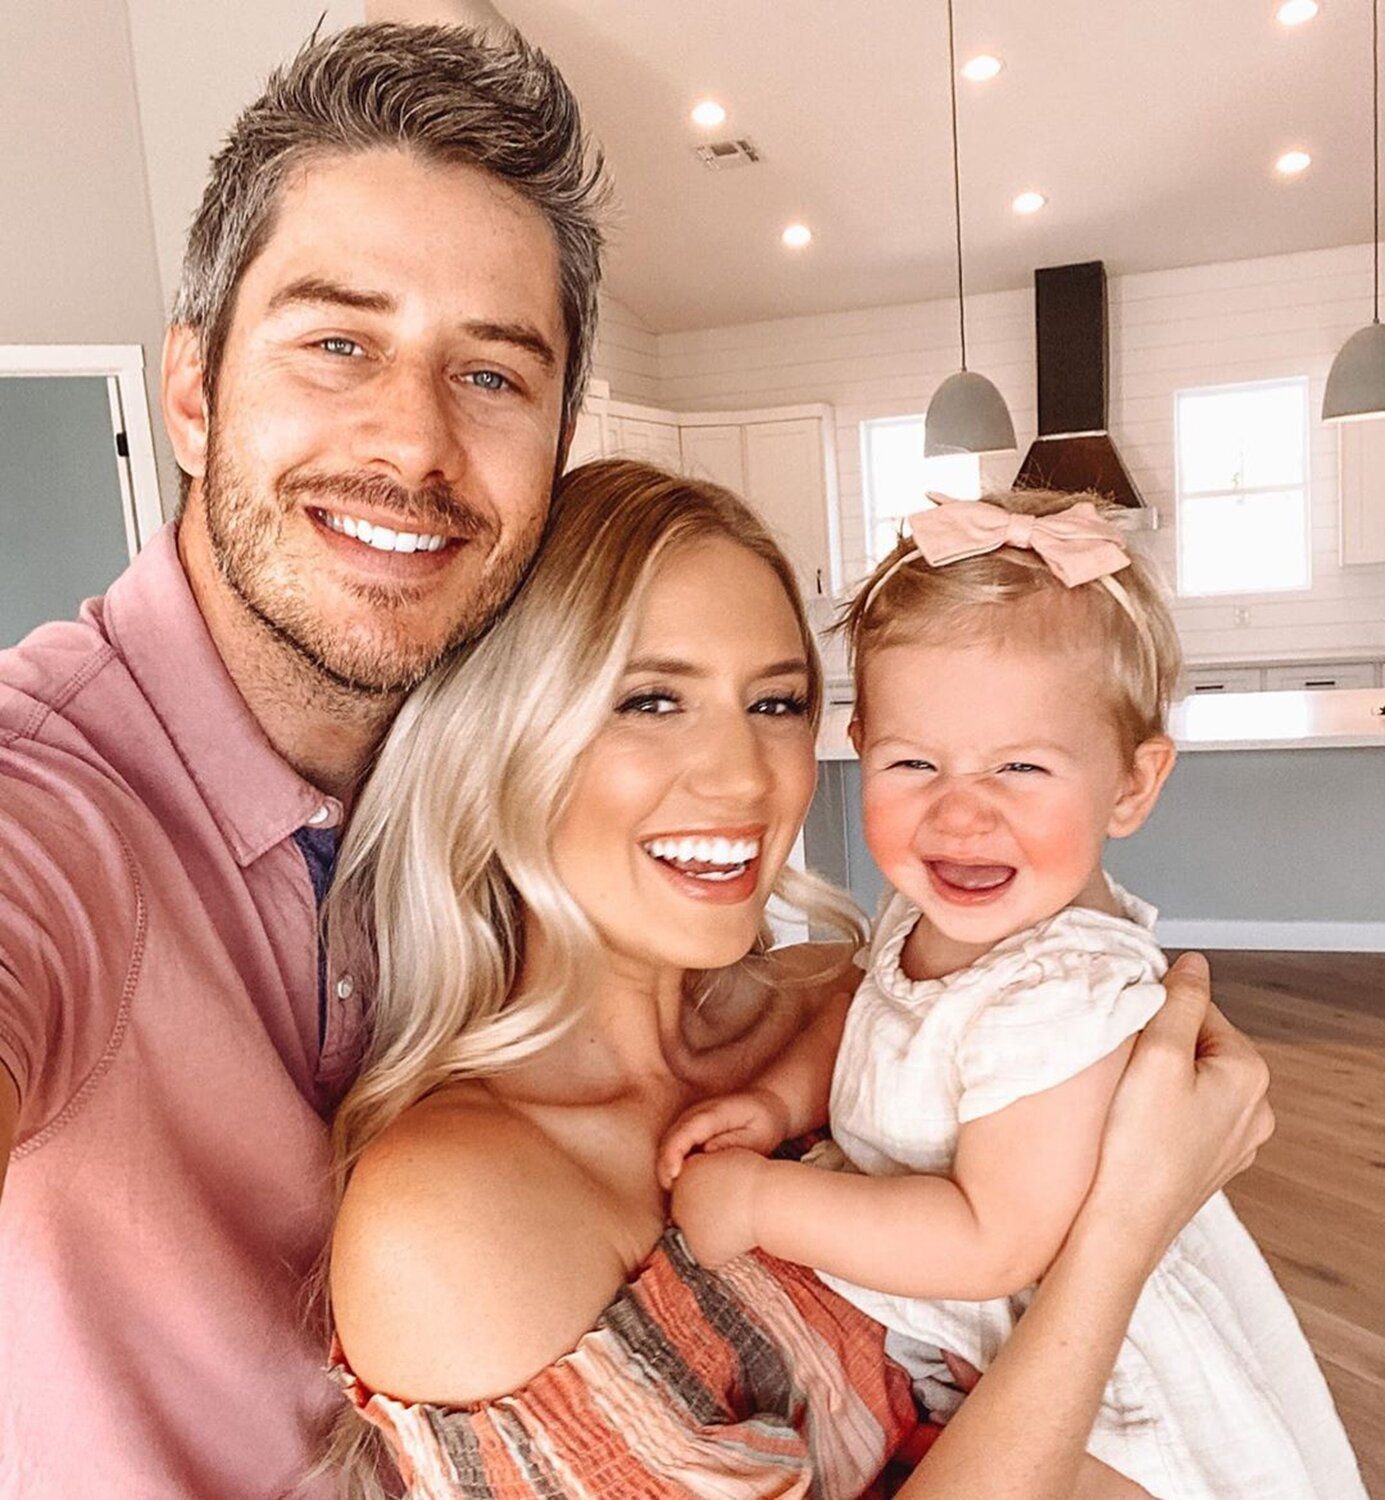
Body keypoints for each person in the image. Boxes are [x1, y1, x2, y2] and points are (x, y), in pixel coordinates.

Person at [326, 461, 1275, 1500]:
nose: (744, 775)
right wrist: (1123, 1229)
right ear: (492, 739)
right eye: (649, 700)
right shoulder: (448, 1222)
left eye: (775, 703)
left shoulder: (846, 992)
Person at [0, 24, 607, 1498]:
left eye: (492, 376)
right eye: (338, 344)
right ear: (192, 395)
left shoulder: (523, 795)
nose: (414, 446)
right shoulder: (46, 801)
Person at [658, 488, 1366, 1500]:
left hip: (1096, 1380)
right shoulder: (930, 911)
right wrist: (776, 1101)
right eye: (914, 763)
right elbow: (870, 1009)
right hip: (982, 1332)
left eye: (1019, 767)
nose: (959, 814)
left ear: (1129, 785)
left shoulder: (1057, 990)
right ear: (861, 747)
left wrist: (760, 1199)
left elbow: (990, 1238)